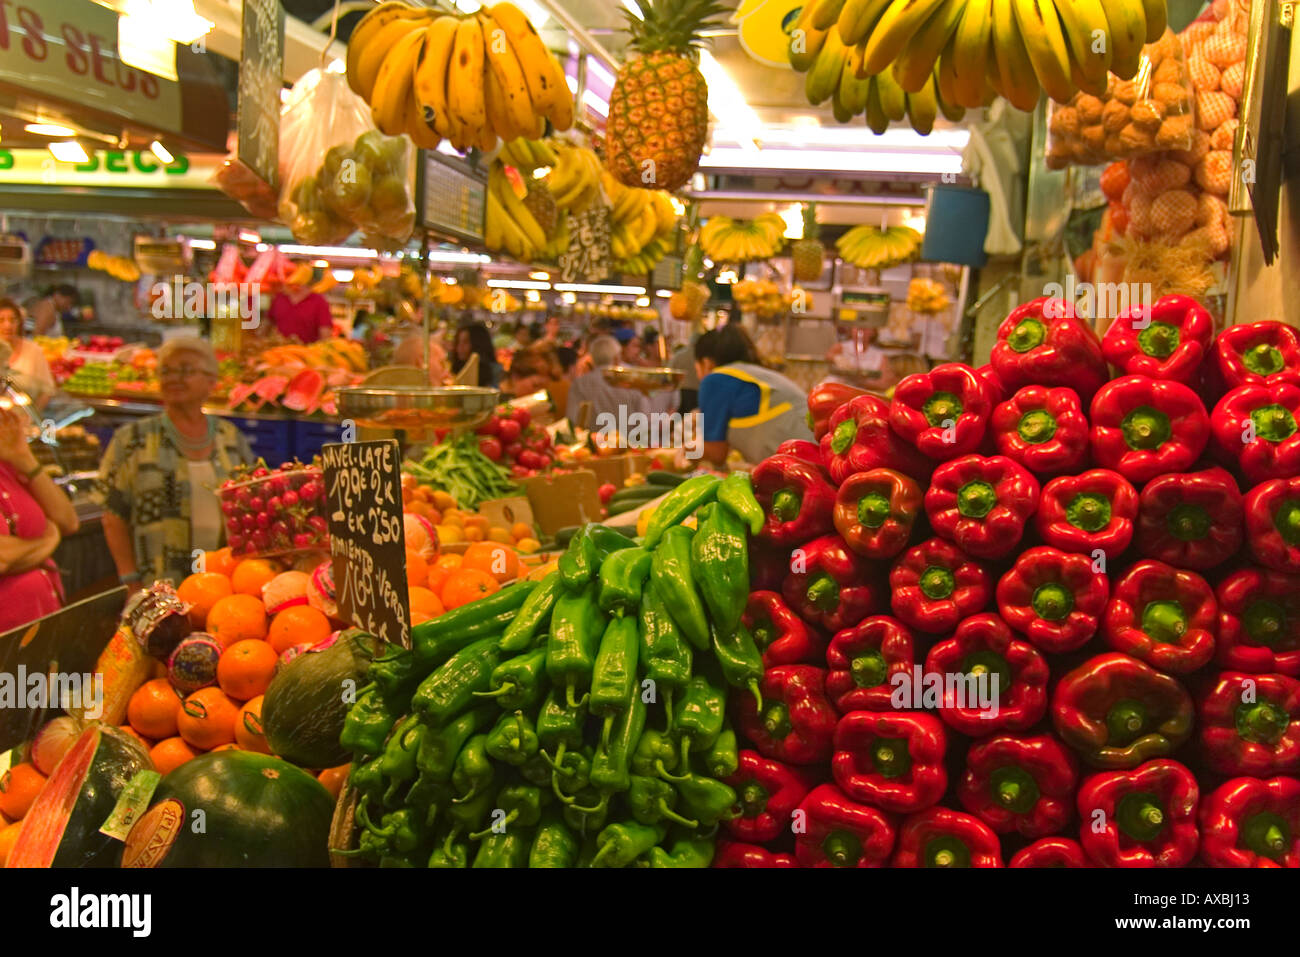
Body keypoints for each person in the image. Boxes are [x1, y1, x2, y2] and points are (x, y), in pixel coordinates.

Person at [94, 337, 253, 590]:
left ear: (212, 381)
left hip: (221, 584)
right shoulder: (133, 439)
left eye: (186, 370)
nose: (174, 378)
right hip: (157, 583)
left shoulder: (230, 438)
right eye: (166, 371)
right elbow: (113, 516)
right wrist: (129, 580)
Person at [0, 403, 79, 631]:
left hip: (40, 630)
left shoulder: (8, 465)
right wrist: (47, 541)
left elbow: (67, 521)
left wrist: (24, 458)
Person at [696, 325, 814, 466]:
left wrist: (683, 451)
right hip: (817, 453)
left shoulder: (715, 379)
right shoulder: (755, 374)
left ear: (706, 363)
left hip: (805, 459)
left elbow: (717, 453)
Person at [566, 335, 652, 430]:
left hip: (592, 443)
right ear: (616, 358)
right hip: (627, 443)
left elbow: (573, 420)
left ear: (593, 359)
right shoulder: (631, 382)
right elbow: (644, 421)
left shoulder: (579, 384)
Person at [0, 298, 55, 407]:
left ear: (19, 322)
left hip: (25, 418)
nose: (8, 326)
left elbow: (47, 391)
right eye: (1, 320)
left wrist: (30, 419)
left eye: (12, 320)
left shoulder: (34, 351)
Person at [826, 324, 903, 392]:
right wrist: (837, 358)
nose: (860, 332)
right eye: (857, 328)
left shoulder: (880, 356)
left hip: (862, 392)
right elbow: (829, 355)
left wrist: (861, 381)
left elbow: (884, 383)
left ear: (873, 332)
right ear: (851, 330)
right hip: (836, 387)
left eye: (865, 329)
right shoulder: (841, 347)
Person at [267, 281, 334, 343]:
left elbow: (325, 333)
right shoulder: (279, 297)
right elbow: (270, 323)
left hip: (306, 352)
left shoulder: (319, 301)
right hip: (278, 351)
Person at [450, 321, 503, 387]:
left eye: (465, 342)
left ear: (478, 344)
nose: (459, 347)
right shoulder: (455, 369)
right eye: (458, 342)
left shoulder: (495, 371)